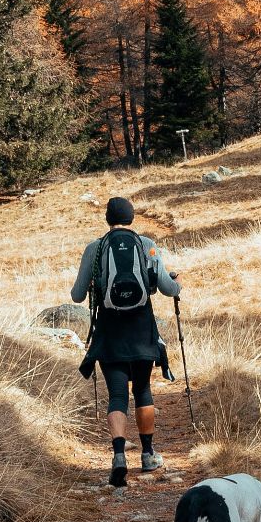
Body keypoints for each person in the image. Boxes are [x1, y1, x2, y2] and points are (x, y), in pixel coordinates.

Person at [72, 195, 181, 487]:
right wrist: (176, 282)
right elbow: (167, 288)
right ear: (131, 218)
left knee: (117, 395)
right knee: (143, 390)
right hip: (142, 330)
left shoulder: (95, 249)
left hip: (110, 333)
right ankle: (147, 455)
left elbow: (76, 295)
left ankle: (119, 455)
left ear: (108, 219)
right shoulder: (147, 245)